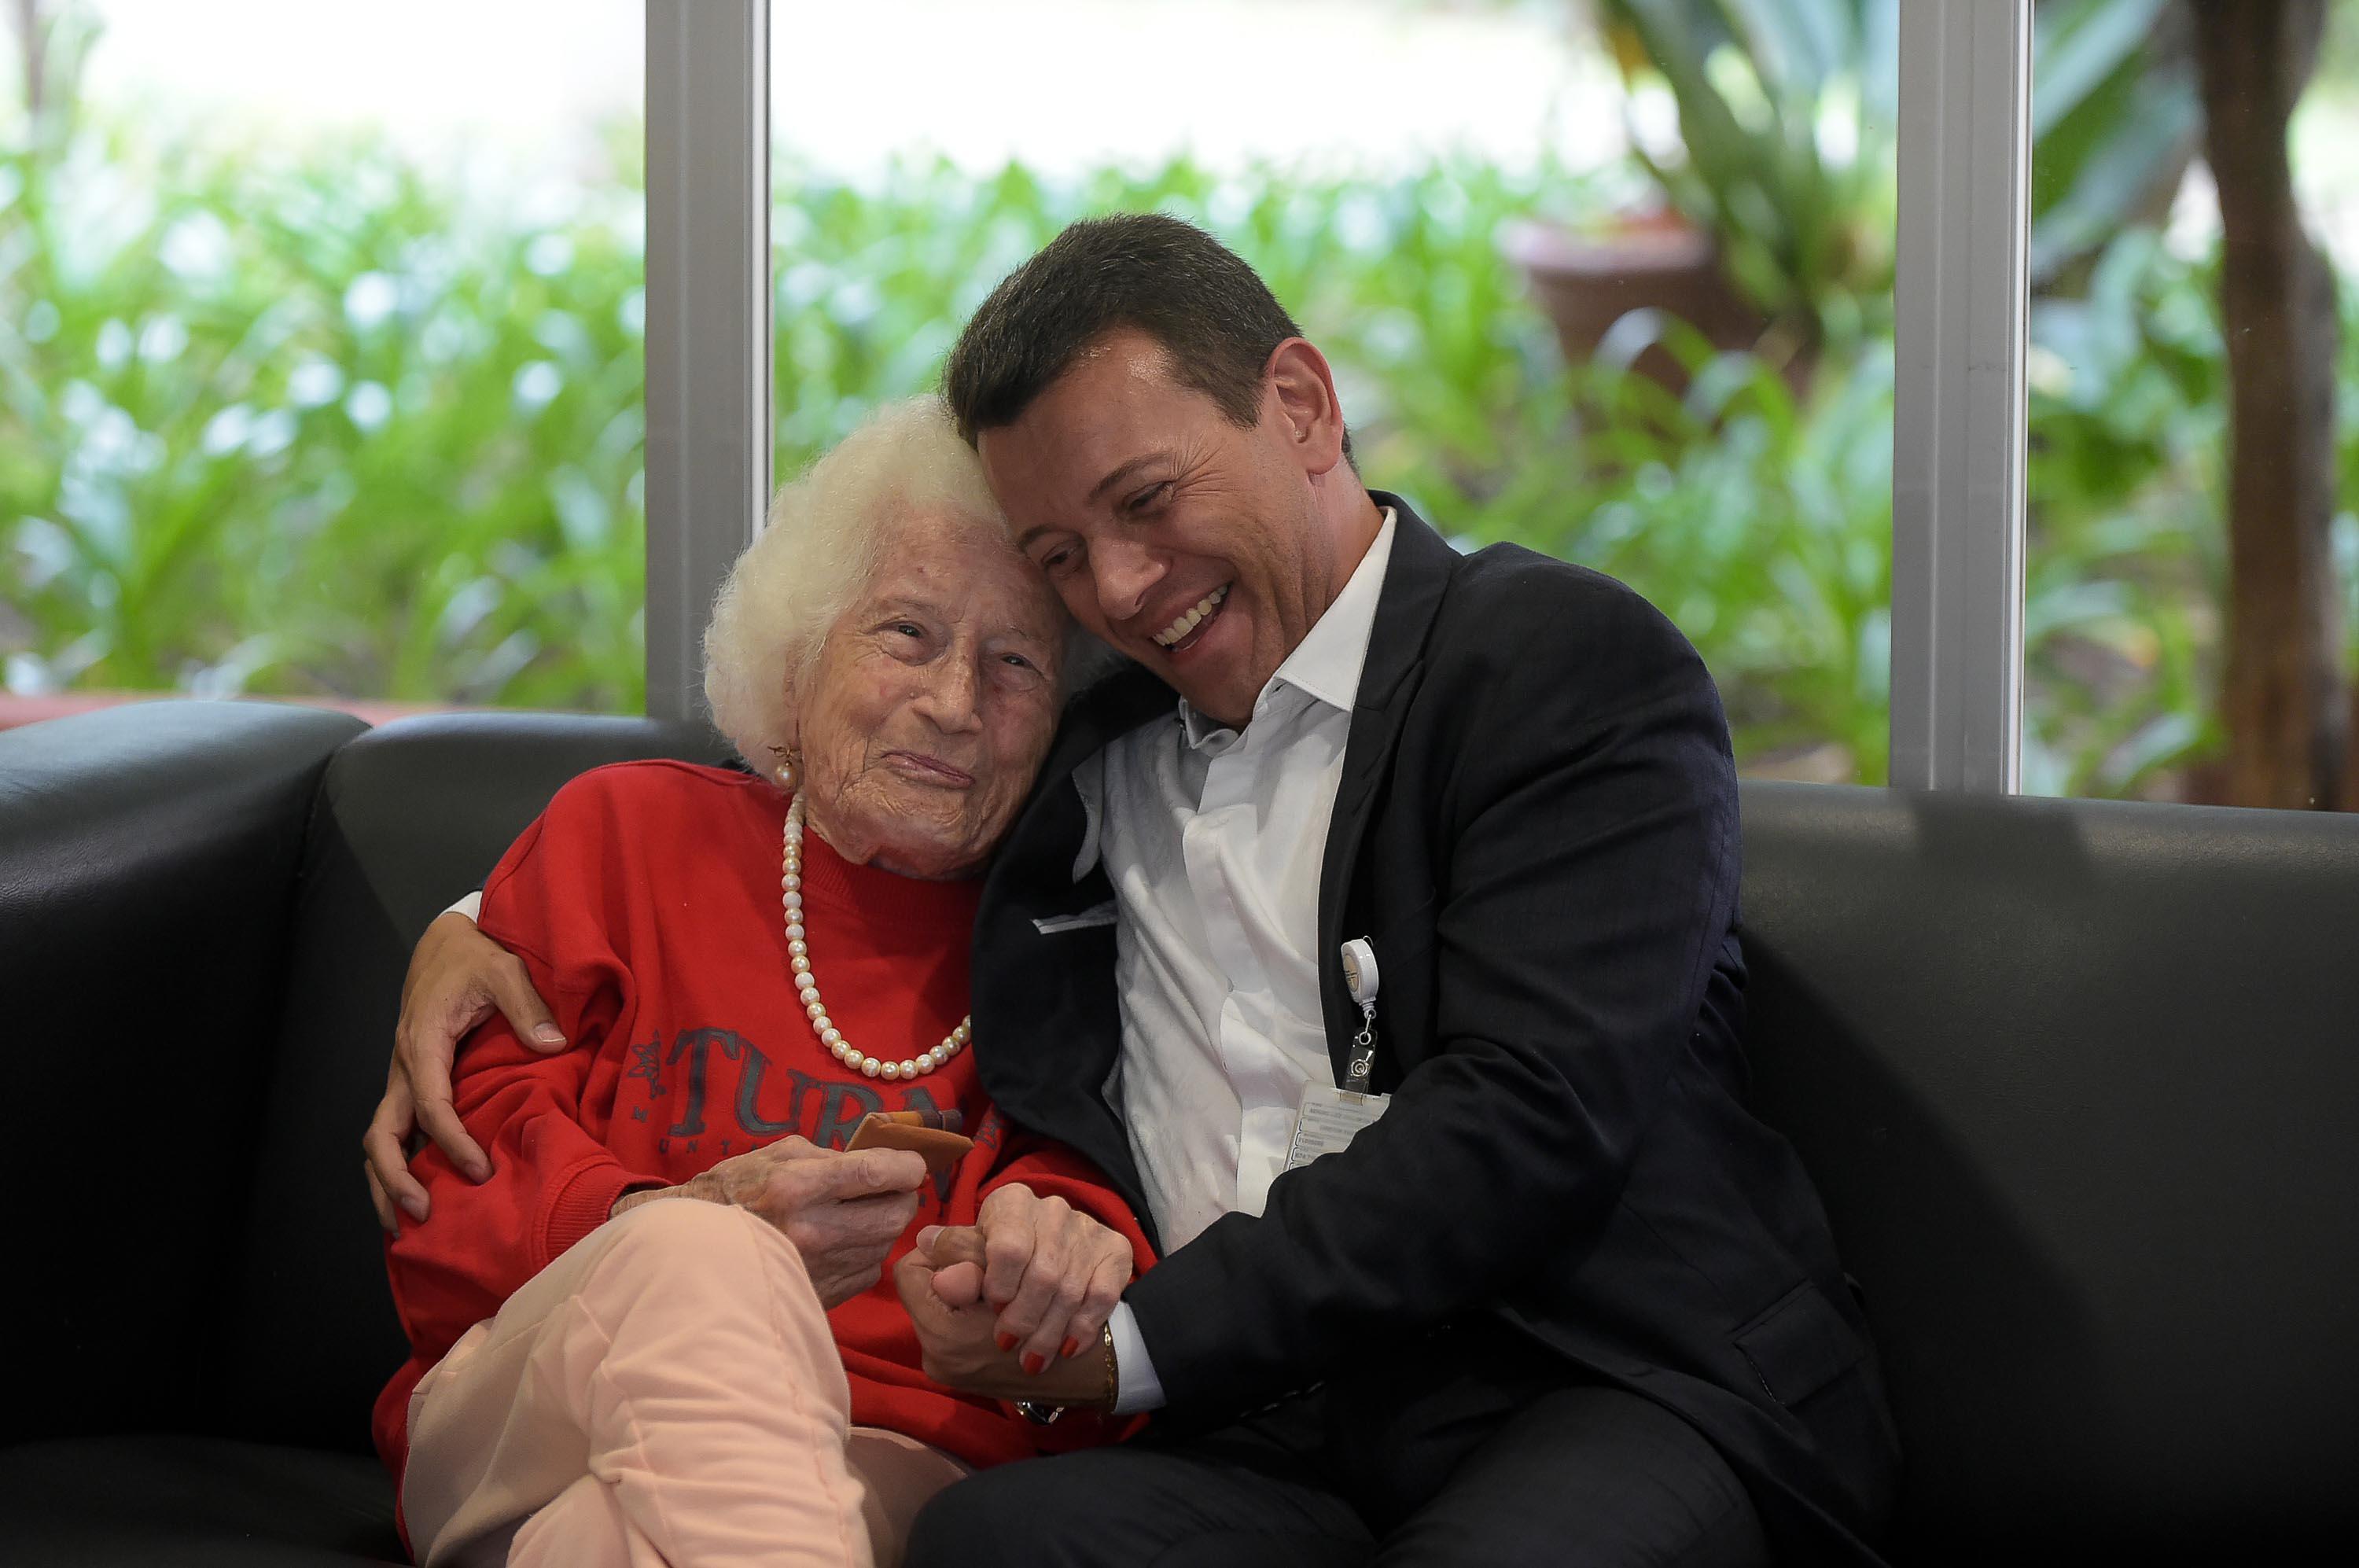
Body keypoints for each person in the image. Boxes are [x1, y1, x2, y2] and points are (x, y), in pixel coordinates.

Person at [375, 216, 1901, 1567]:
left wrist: (1128, 1338)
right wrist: (468, 922)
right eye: (1062, 554)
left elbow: (1528, 1114)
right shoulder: (1097, 743)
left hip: (1597, 1375)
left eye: (1147, 499)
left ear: (1301, 404)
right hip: (1272, 1433)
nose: (1114, 588)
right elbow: (808, 792)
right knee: (995, 1543)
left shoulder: (1560, 666)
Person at [371, 398, 1152, 1568]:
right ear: (798, 654)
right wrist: (679, 1223)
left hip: (884, 1454)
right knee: (705, 1256)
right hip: (524, 1409)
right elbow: (445, 1225)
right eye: (907, 633)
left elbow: (1088, 1216)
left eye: (1015, 663)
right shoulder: (622, 837)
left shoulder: (1064, 941)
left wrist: (1055, 1252)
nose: (954, 702)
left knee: (599, 1540)